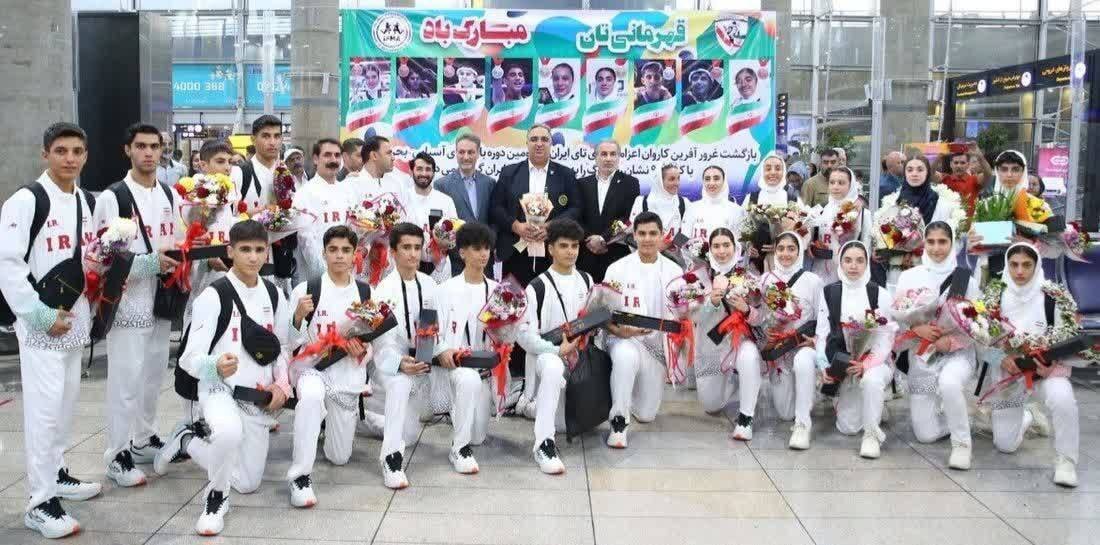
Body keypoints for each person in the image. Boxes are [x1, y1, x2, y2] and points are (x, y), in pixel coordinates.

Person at [154, 220, 291, 536]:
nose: (253, 257)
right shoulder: (213, 296)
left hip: (255, 395)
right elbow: (189, 358)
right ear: (230, 251)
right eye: (245, 250)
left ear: (267, 252)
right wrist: (214, 365)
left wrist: (281, 384)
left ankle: (187, 440)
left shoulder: (274, 294)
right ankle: (216, 498)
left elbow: (283, 347)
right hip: (218, 388)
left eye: (259, 250)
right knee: (228, 433)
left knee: (248, 482)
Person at [0, 123, 100, 538]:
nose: (70, 158)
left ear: (86, 155)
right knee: (43, 413)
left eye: (77, 151)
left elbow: (92, 255)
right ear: (46, 154)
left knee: (63, 408)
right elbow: (8, 266)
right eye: (61, 150)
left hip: (74, 320)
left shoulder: (85, 200)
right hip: (42, 324)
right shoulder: (26, 201)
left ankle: (56, 474)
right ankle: (39, 502)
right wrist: (41, 316)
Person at [93, 123, 182, 487]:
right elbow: (99, 255)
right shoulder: (113, 197)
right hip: (128, 301)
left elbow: (177, 240)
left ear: (162, 150)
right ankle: (116, 454)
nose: (148, 153)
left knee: (153, 374)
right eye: (141, 146)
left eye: (154, 146)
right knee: (125, 379)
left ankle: (143, 438)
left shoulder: (169, 193)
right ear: (127, 150)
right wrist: (146, 263)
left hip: (162, 298)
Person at [284, 226, 373, 507]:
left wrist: (361, 351)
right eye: (333, 250)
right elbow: (288, 341)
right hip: (313, 368)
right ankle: (300, 476)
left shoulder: (364, 291)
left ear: (355, 254)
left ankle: (324, 425)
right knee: (311, 397)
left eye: (346, 250)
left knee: (339, 457)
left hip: (346, 373)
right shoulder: (306, 290)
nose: (339, 256)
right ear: (323, 253)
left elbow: (371, 340)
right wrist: (298, 317)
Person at [983, 242, 1081, 487]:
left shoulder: (1053, 297)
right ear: (1007, 265)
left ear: (1037, 266)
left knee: (1063, 398)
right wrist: (1001, 358)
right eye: (1014, 264)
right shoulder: (995, 296)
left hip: (1045, 371)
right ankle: (1028, 415)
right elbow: (979, 343)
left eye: (1027, 265)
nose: (1019, 271)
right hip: (1009, 373)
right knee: (1005, 445)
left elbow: (1068, 341)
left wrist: (1051, 364)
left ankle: (1066, 461)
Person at [892, 222, 980, 470]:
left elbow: (977, 325)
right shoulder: (909, 276)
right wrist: (916, 329)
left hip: (957, 352)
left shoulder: (966, 278)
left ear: (952, 244)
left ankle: (962, 444)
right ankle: (960, 417)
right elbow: (896, 319)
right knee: (925, 434)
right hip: (922, 353)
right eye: (931, 242)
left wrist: (949, 342)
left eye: (943, 242)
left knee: (949, 383)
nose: (936, 248)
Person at [602, 212, 683, 448]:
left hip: (657, 346)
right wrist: (618, 331)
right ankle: (619, 420)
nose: (647, 239)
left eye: (653, 233)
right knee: (626, 358)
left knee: (647, 414)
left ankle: (627, 396)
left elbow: (683, 315)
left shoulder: (674, 271)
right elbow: (602, 313)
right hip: (624, 339)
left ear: (662, 235)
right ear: (634, 235)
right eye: (642, 233)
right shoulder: (617, 268)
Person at [515, 219, 589, 473]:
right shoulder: (537, 286)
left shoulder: (587, 280)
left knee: (568, 426)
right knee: (553, 366)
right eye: (564, 246)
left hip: (579, 362)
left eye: (575, 246)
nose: (570, 251)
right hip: (546, 357)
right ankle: (543, 444)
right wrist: (557, 350)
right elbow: (524, 336)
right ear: (550, 249)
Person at [814, 240, 896, 459]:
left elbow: (886, 338)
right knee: (848, 428)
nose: (853, 266)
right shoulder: (829, 292)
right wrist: (824, 365)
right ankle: (860, 401)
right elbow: (821, 333)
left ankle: (871, 435)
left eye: (860, 261)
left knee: (871, 381)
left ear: (867, 264)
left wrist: (865, 365)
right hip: (844, 363)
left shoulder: (879, 294)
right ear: (840, 263)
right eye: (848, 260)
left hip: (875, 363)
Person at [372, 223, 438, 488]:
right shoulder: (383, 290)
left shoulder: (430, 284)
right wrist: (399, 362)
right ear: (393, 252)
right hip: (391, 363)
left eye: (417, 247)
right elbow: (379, 343)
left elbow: (438, 328)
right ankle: (390, 458)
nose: (412, 254)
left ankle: (368, 420)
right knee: (400, 385)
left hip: (423, 360)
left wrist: (434, 353)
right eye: (406, 247)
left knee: (409, 436)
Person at [435, 222, 500, 473]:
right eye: (476, 248)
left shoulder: (498, 291)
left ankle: (466, 432)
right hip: (457, 366)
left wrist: (506, 335)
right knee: (468, 381)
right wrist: (442, 349)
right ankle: (458, 448)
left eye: (486, 248)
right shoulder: (445, 290)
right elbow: (431, 332)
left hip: (485, 369)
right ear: (462, 252)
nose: (483, 254)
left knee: (478, 437)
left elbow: (507, 334)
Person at [692, 229, 764, 440]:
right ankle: (735, 382)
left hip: (739, 340)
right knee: (711, 405)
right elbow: (692, 316)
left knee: (749, 356)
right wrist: (711, 302)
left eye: (726, 245)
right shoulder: (698, 277)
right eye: (716, 246)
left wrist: (746, 309)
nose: (722, 251)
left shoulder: (749, 276)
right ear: (709, 249)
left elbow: (762, 318)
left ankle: (746, 417)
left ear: (735, 247)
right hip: (711, 343)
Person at [490, 124, 580, 286]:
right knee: (515, 300)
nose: (539, 144)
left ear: (551, 144)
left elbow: (576, 209)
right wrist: (515, 226)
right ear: (527, 143)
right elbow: (496, 207)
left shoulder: (566, 174)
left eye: (544, 139)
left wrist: (551, 226)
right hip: (515, 252)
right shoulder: (509, 173)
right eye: (534, 139)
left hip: (553, 253)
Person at [758, 232, 824, 450]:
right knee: (785, 413)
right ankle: (799, 401)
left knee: (803, 362)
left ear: (800, 251)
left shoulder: (813, 281)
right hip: (779, 350)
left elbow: (822, 317)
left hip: (803, 346)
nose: (785, 254)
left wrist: (815, 340)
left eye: (791, 248)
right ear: (775, 251)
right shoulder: (765, 280)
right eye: (781, 248)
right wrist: (768, 330)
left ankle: (803, 420)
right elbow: (760, 315)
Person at [577, 140, 640, 282]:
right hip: (586, 252)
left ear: (619, 157)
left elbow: (627, 217)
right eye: (604, 154)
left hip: (616, 253)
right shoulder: (582, 184)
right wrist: (590, 239)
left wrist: (603, 239)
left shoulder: (630, 183)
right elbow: (577, 215)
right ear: (596, 157)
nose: (608, 158)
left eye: (613, 154)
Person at [434, 134, 495, 275]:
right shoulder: (442, 185)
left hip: (484, 260)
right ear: (455, 153)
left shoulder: (489, 183)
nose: (466, 157)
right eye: (461, 152)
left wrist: (489, 246)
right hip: (456, 260)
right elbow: (440, 225)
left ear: (478, 153)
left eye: (471, 152)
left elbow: (494, 220)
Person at [292, 138, 350, 281]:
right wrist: (326, 273)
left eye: (337, 155)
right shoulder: (304, 193)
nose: (333, 160)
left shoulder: (347, 191)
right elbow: (306, 240)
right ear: (316, 159)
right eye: (327, 155)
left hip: (347, 271)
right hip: (318, 276)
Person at [809, 167, 871, 285]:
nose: (835, 187)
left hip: (849, 272)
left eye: (841, 183)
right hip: (821, 271)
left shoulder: (862, 213)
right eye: (832, 182)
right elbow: (815, 237)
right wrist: (812, 245)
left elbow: (866, 246)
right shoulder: (822, 210)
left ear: (850, 185)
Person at [743, 153, 802, 273]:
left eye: (778, 168)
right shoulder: (752, 198)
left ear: (784, 172)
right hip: (756, 262)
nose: (773, 172)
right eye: (768, 168)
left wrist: (781, 246)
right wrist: (748, 246)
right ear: (762, 171)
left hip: (785, 262)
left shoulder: (792, 199)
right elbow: (743, 228)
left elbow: (802, 231)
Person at [404, 152, 458, 281]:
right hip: (408, 265)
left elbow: (455, 236)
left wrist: (445, 243)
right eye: (419, 169)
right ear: (411, 171)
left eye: (428, 169)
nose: (424, 173)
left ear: (433, 173)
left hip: (440, 267)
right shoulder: (403, 198)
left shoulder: (446, 200)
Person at [231, 115, 284, 214]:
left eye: (277, 136)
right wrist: (248, 214)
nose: (272, 142)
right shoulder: (239, 172)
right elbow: (228, 214)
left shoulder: (286, 172)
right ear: (253, 139)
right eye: (266, 136)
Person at [681, 165, 743, 240]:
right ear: (703, 182)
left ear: (724, 181)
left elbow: (742, 242)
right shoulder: (692, 208)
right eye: (707, 179)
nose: (712, 183)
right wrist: (672, 245)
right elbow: (682, 237)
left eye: (716, 178)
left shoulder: (737, 210)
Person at [347, 135, 409, 207]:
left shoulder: (397, 183)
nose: (393, 158)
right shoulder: (352, 184)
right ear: (374, 155)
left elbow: (406, 212)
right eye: (388, 153)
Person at [628, 164, 688, 237]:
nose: (677, 183)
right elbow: (633, 232)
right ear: (660, 181)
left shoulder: (684, 203)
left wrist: (671, 243)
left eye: (678, 178)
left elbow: (687, 232)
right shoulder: (641, 202)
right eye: (672, 179)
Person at [940, 147, 990, 217]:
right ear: (951, 164)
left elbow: (988, 174)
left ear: (968, 164)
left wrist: (979, 156)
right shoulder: (944, 178)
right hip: (947, 222)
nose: (959, 166)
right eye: (956, 162)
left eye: (962, 163)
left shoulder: (974, 179)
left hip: (970, 222)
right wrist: (939, 156)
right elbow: (930, 173)